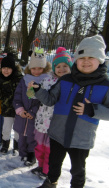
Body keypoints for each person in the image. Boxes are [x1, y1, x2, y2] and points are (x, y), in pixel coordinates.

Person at [30, 35, 109, 188]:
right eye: (81, 58)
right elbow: (50, 99)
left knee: (77, 168)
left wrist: (94, 110)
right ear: (75, 60)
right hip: (57, 132)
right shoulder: (65, 80)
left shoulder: (107, 85)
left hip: (81, 137)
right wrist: (38, 90)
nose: (85, 62)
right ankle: (50, 184)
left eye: (90, 57)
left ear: (99, 59)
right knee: (54, 162)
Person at [31, 47, 73, 179]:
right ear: (54, 67)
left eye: (65, 66)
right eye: (58, 66)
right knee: (39, 146)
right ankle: (40, 164)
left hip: (56, 123)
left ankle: (46, 170)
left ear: (70, 67)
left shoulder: (72, 83)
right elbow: (37, 96)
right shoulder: (47, 79)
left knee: (50, 149)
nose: (61, 69)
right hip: (41, 120)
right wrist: (32, 90)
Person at [13, 47, 51, 166]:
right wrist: (20, 109)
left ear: (44, 68)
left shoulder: (46, 81)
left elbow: (43, 101)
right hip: (22, 115)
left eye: (40, 68)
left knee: (32, 138)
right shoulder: (24, 80)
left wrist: (33, 112)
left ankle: (31, 155)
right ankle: (22, 154)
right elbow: (17, 96)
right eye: (34, 68)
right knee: (21, 137)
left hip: (35, 117)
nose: (36, 71)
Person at [0, 53, 23, 154]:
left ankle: (17, 146)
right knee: (6, 129)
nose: (6, 70)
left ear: (13, 68)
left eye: (9, 68)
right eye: (4, 68)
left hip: (18, 110)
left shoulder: (19, 79)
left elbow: (23, 93)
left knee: (17, 130)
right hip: (6, 109)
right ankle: (5, 145)